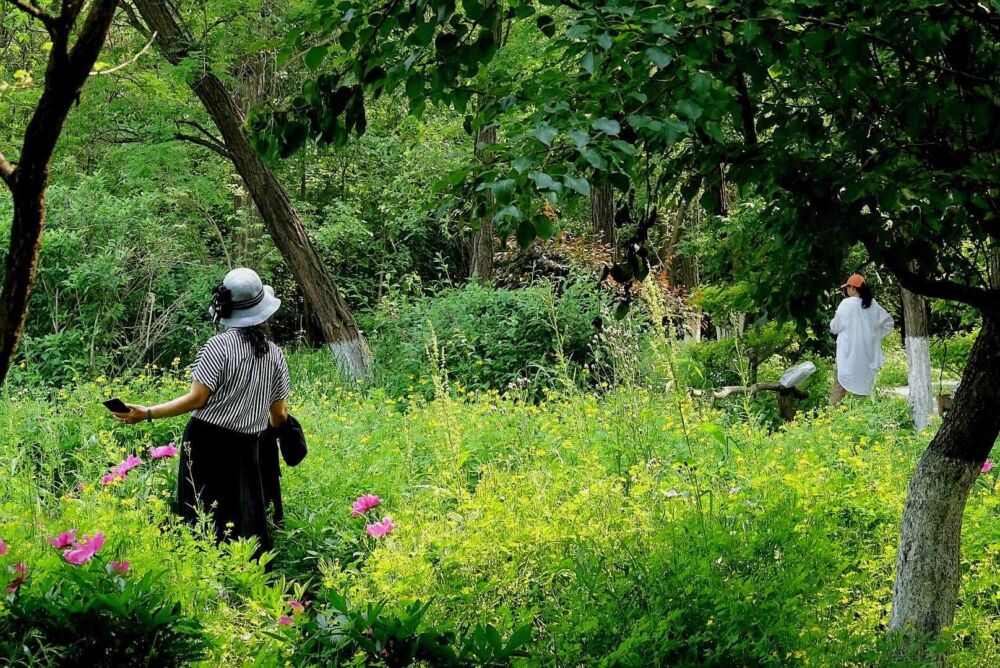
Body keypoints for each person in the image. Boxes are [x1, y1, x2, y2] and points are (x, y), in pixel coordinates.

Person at [113, 268, 290, 555]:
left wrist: (146, 412)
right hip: (248, 446)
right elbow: (279, 415)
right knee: (243, 513)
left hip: (207, 443)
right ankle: (246, 576)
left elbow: (197, 399)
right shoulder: (276, 355)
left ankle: (203, 573)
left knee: (202, 512)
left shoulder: (218, 347)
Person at [829, 273, 894, 405]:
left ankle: (829, 419)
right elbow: (889, 323)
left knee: (838, 389)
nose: (846, 291)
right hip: (865, 357)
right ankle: (862, 420)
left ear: (853, 288)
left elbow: (834, 328)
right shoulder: (873, 305)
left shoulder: (846, 304)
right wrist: (874, 336)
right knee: (862, 392)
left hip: (847, 356)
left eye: (847, 288)